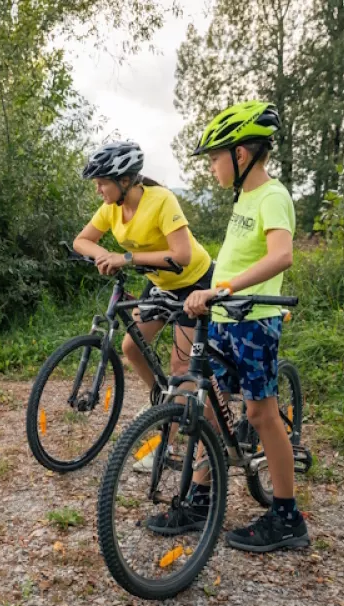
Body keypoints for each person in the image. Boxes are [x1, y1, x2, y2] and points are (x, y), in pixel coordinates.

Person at [149, 101, 309, 552]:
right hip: (222, 317)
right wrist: (205, 295)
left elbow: (281, 255)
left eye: (216, 157)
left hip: (254, 321)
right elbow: (234, 256)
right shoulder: (243, 197)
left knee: (260, 413)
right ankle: (200, 497)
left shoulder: (273, 195)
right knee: (212, 408)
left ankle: (286, 516)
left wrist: (225, 288)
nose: (212, 167)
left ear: (241, 155)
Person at [73, 141, 214, 472]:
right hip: (161, 283)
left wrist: (125, 257)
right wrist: (102, 256)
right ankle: (164, 405)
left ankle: (168, 439)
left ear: (124, 181)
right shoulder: (112, 207)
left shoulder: (161, 200)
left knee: (182, 371)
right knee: (131, 347)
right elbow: (83, 240)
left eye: (102, 182)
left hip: (193, 283)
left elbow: (182, 256)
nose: (98, 190)